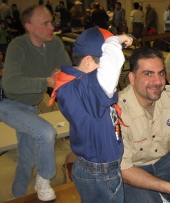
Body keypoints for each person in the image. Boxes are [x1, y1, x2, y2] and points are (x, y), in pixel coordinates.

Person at [50, 26, 133, 203]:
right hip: (100, 174)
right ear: (88, 62)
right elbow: (114, 62)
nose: (114, 75)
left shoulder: (77, 85)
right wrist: (115, 40)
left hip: (97, 169)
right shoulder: (83, 88)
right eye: (103, 61)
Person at [0, 5, 72, 201]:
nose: (52, 27)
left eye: (52, 22)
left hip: (30, 106)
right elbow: (11, 82)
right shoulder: (18, 46)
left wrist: (61, 77)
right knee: (46, 133)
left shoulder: (55, 44)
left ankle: (17, 196)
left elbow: (66, 72)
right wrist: (46, 81)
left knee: (26, 157)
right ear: (29, 27)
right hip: (7, 103)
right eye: (46, 23)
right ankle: (44, 178)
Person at [118, 46, 170, 203]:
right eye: (148, 74)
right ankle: (165, 194)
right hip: (132, 171)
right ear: (132, 78)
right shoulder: (116, 111)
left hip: (164, 162)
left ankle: (165, 194)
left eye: (161, 73)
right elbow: (123, 169)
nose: (157, 81)